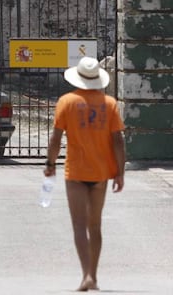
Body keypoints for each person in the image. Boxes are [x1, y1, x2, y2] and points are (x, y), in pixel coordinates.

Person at [44, 56, 126, 291]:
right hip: (101, 172)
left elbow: (56, 138)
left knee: (79, 226)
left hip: (76, 172)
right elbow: (118, 141)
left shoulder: (66, 102)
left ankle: (85, 275)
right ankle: (94, 275)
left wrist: (50, 164)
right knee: (95, 226)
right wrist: (120, 173)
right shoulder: (109, 104)